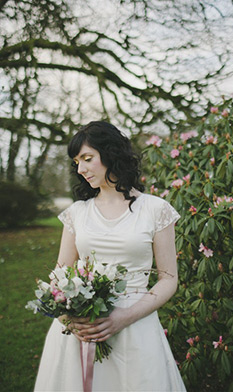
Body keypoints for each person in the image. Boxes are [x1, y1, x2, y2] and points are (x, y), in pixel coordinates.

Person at [34, 121, 186, 392]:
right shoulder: (77, 213)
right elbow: (60, 273)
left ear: (111, 153)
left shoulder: (155, 209)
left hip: (135, 328)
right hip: (80, 332)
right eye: (76, 162)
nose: (80, 169)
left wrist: (123, 317)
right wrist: (69, 319)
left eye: (87, 158)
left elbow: (169, 279)